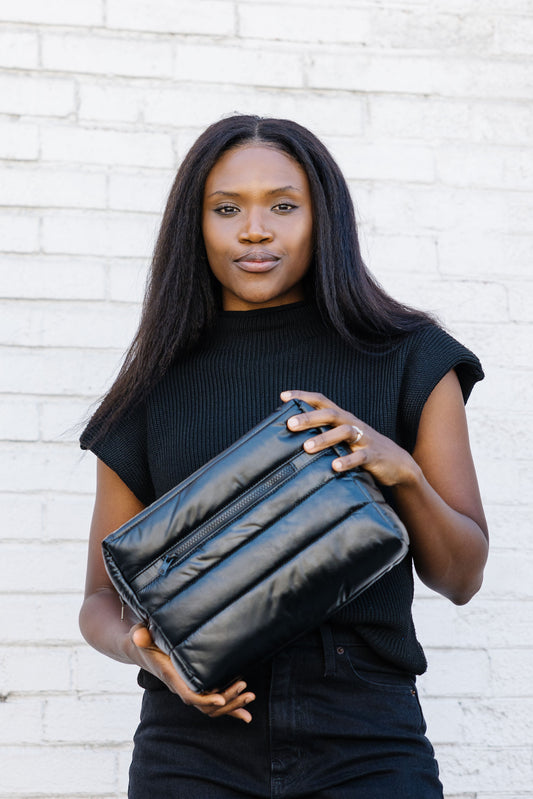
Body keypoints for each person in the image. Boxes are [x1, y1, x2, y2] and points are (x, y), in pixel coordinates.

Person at [79, 115, 489, 798]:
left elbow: (462, 576)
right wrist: (146, 652)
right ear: (194, 225)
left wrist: (402, 473)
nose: (254, 230)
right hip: (191, 746)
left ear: (323, 216)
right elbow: (100, 597)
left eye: (282, 205)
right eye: (226, 208)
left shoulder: (408, 356)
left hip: (364, 737)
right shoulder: (155, 382)